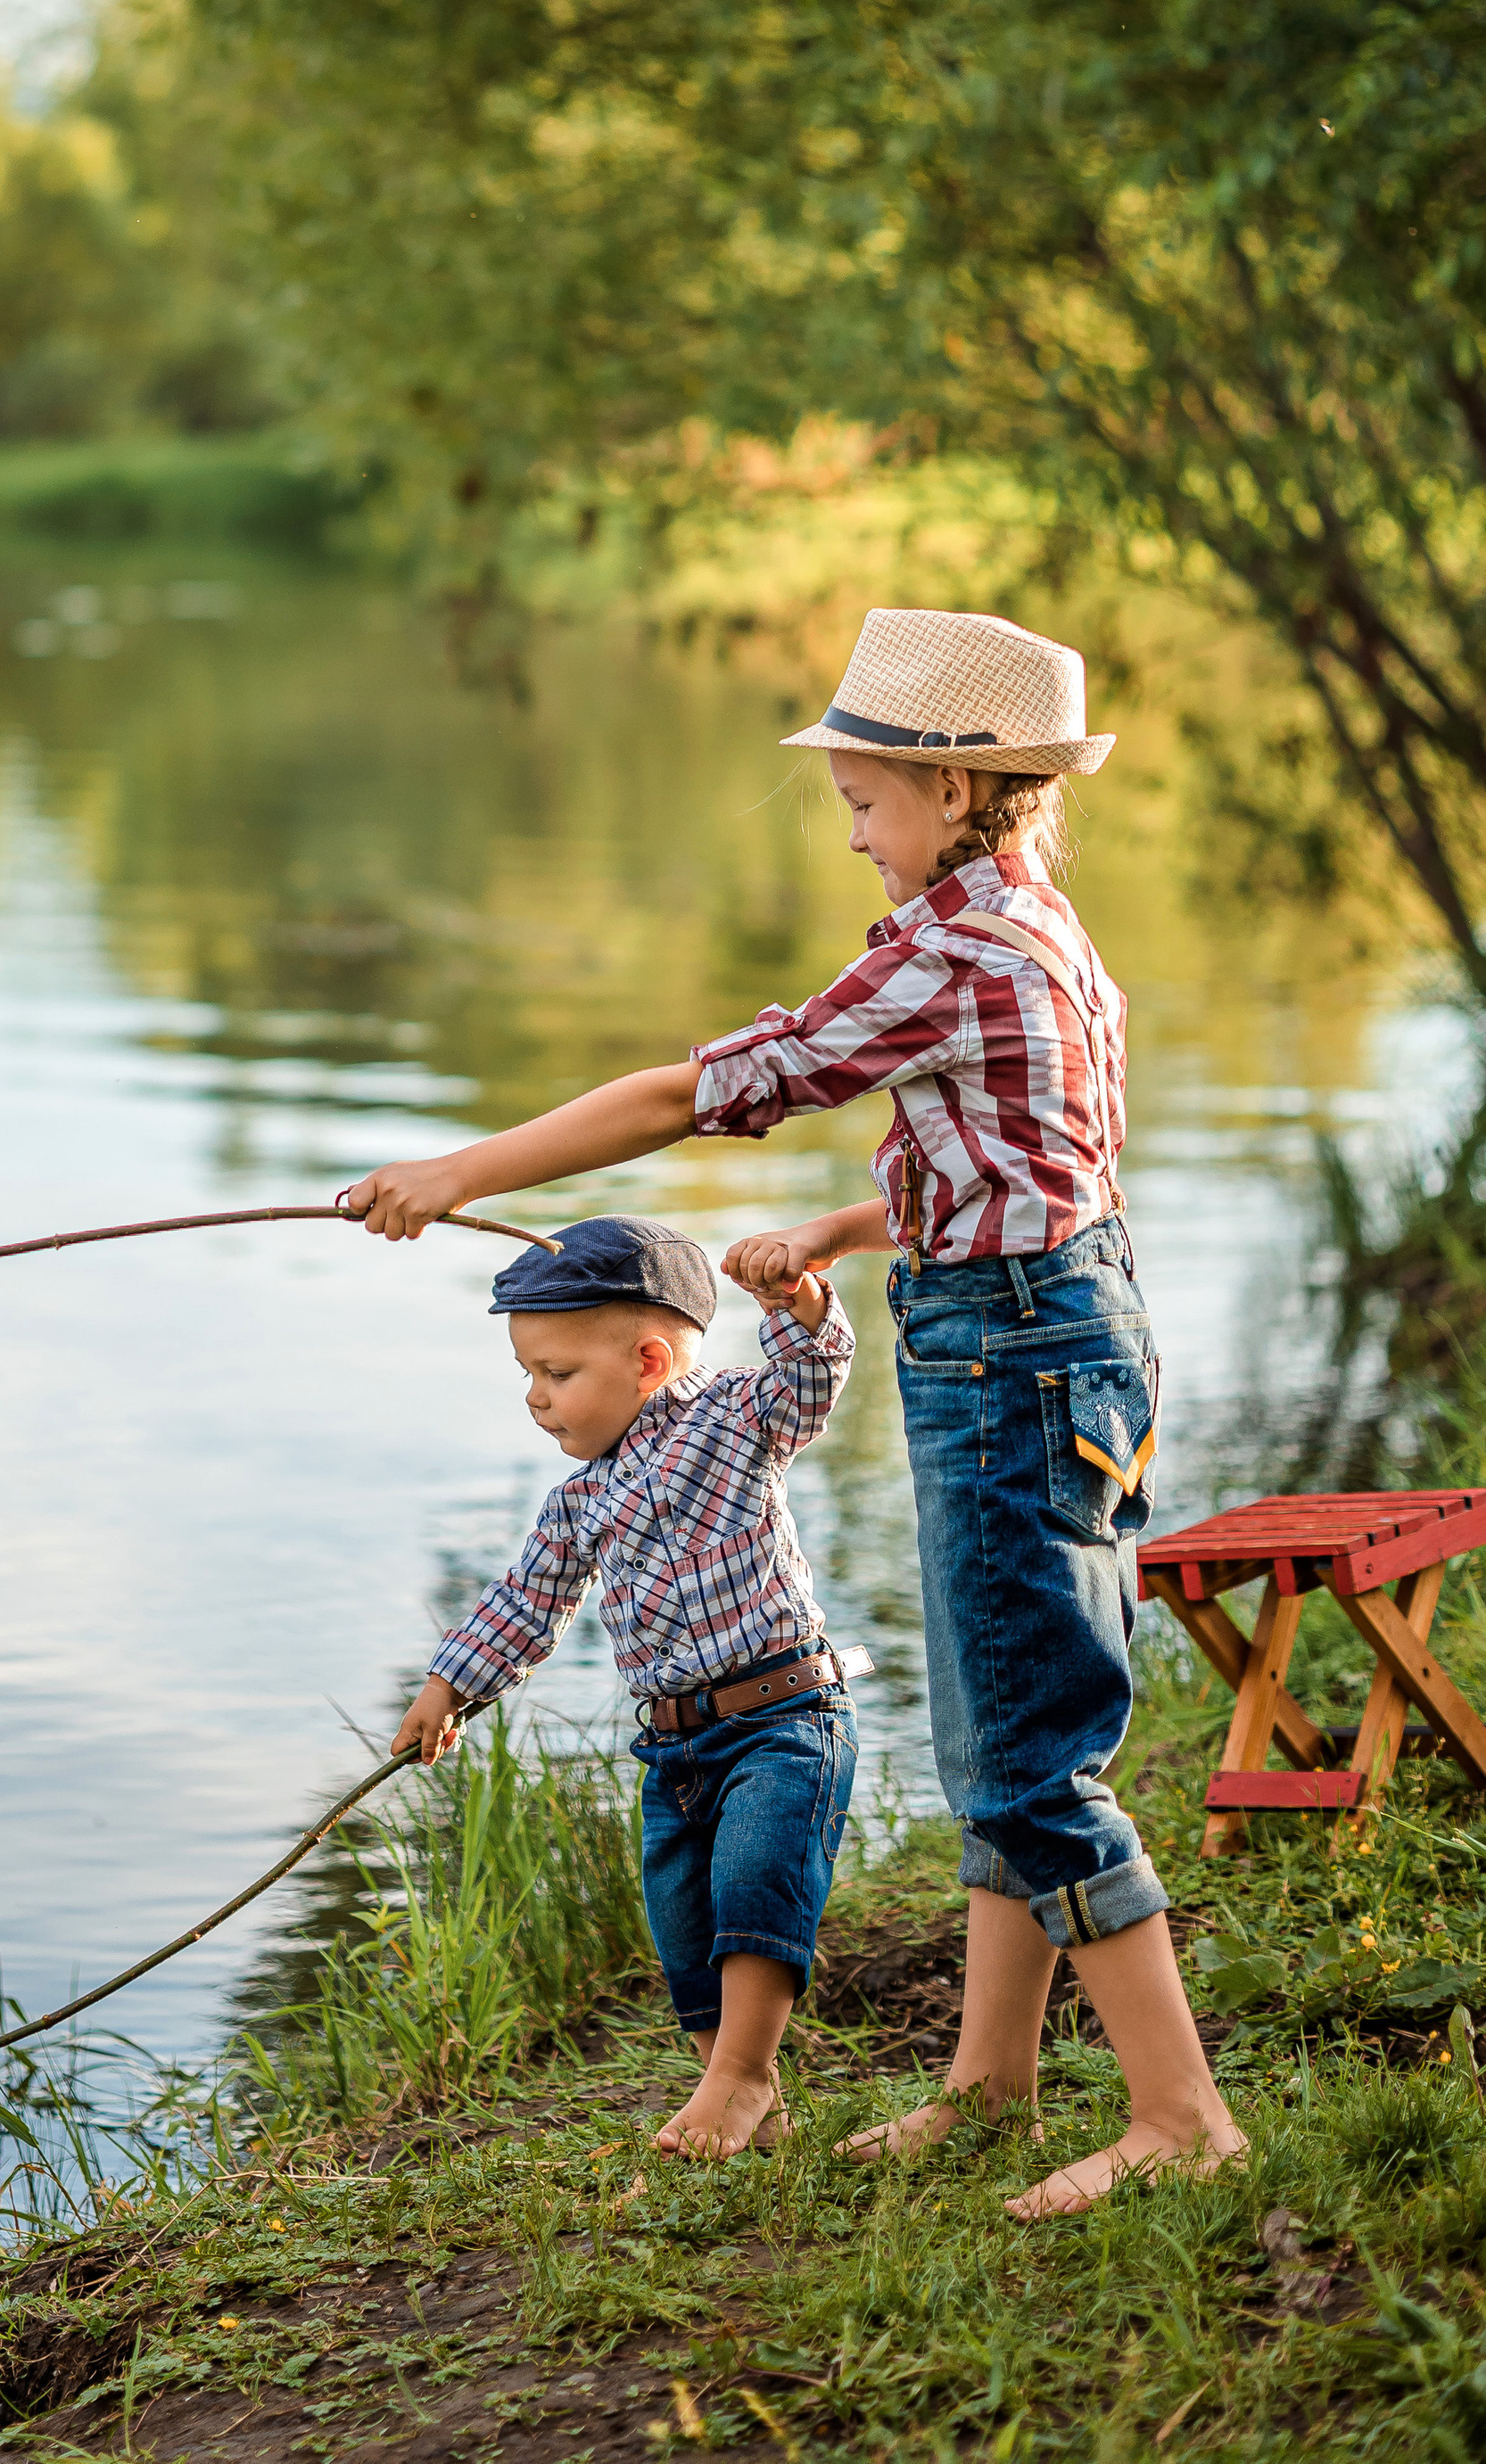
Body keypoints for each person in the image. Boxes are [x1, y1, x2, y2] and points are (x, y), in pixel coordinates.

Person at [351, 606, 1245, 2219]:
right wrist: (844, 1234)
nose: (850, 832)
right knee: (994, 1731)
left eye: (863, 802)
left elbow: (694, 1093)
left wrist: (457, 1174)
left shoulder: (949, 952)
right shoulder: (1045, 928)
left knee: (1035, 1759)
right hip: (1065, 1333)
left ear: (959, 794)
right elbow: (1039, 1174)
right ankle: (989, 2084)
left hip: (1012, 1364)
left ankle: (1180, 2116)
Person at [392, 1210, 857, 2162]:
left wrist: (797, 1304)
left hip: (783, 1716)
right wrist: (449, 1684)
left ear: (648, 1361)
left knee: (753, 1885)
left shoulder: (734, 1417)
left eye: (556, 1375)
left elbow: (810, 1380)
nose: (535, 1398)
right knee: (684, 1920)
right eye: (528, 1375)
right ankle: (736, 2098)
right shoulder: (577, 1502)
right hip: (675, 1749)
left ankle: (741, 2078)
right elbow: (526, 1602)